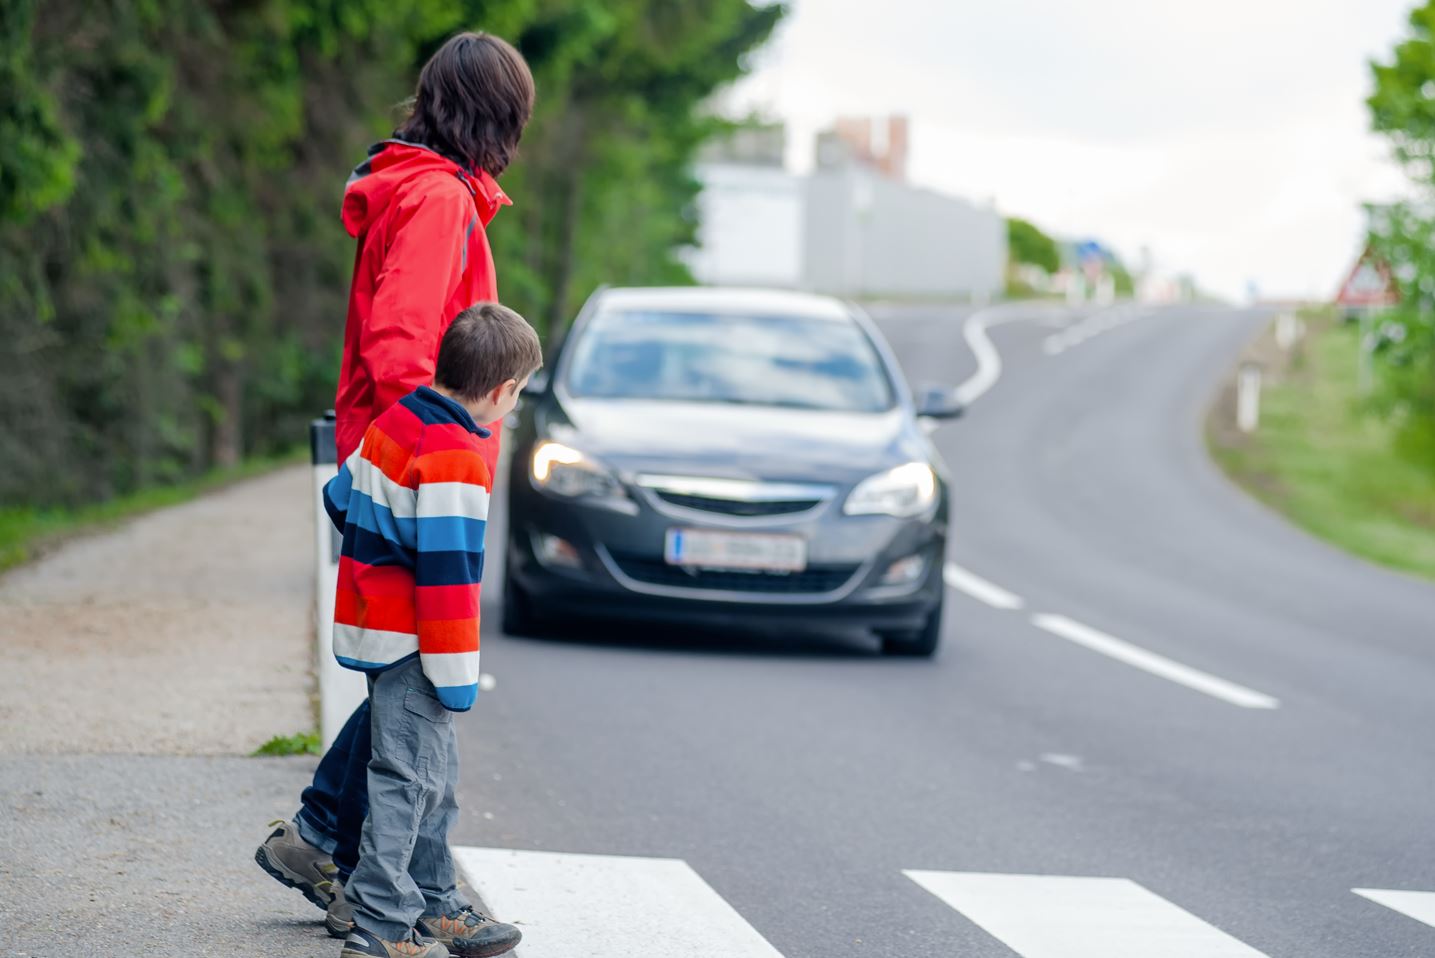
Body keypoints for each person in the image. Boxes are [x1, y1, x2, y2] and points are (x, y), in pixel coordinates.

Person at [253, 28, 534, 948]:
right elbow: (402, 347)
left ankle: (327, 843)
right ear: (498, 118)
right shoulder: (438, 200)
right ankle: (399, 895)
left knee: (402, 686)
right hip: (417, 468)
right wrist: (440, 450)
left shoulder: (417, 188)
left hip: (392, 457)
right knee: (417, 685)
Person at [328, 303, 542, 958]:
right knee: (404, 777)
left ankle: (437, 903)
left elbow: (341, 496)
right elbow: (447, 583)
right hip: (415, 642)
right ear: (502, 392)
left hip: (371, 621)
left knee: (429, 770)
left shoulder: (399, 419)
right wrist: (456, 678)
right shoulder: (456, 457)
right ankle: (381, 923)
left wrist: (383, 538)